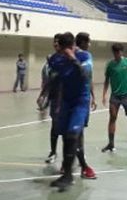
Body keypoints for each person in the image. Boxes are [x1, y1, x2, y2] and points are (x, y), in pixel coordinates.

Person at [48, 32, 93, 191]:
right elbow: (55, 81)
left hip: (80, 101)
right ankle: (66, 173)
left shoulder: (85, 56)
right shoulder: (56, 59)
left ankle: (72, 172)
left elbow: (85, 74)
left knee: (73, 134)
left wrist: (73, 59)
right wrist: (51, 100)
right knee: (65, 136)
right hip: (65, 101)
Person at [101, 43, 127, 152]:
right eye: (115, 52)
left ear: (122, 52)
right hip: (115, 96)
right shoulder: (110, 65)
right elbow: (106, 81)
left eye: (119, 52)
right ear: (113, 53)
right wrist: (104, 94)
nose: (117, 54)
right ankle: (111, 143)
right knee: (112, 118)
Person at [73, 32, 96, 179]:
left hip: (84, 99)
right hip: (76, 100)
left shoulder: (84, 56)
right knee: (76, 134)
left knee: (76, 134)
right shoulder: (83, 56)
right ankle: (83, 166)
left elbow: (89, 77)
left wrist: (93, 96)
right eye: (89, 41)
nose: (90, 44)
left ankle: (71, 163)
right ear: (82, 42)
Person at [38, 34, 62, 163]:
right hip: (54, 98)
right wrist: (42, 94)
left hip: (66, 99)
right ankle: (53, 152)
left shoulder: (67, 59)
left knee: (69, 129)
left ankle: (75, 153)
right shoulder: (52, 60)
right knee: (55, 126)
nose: (55, 44)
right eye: (54, 42)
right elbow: (50, 79)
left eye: (58, 42)